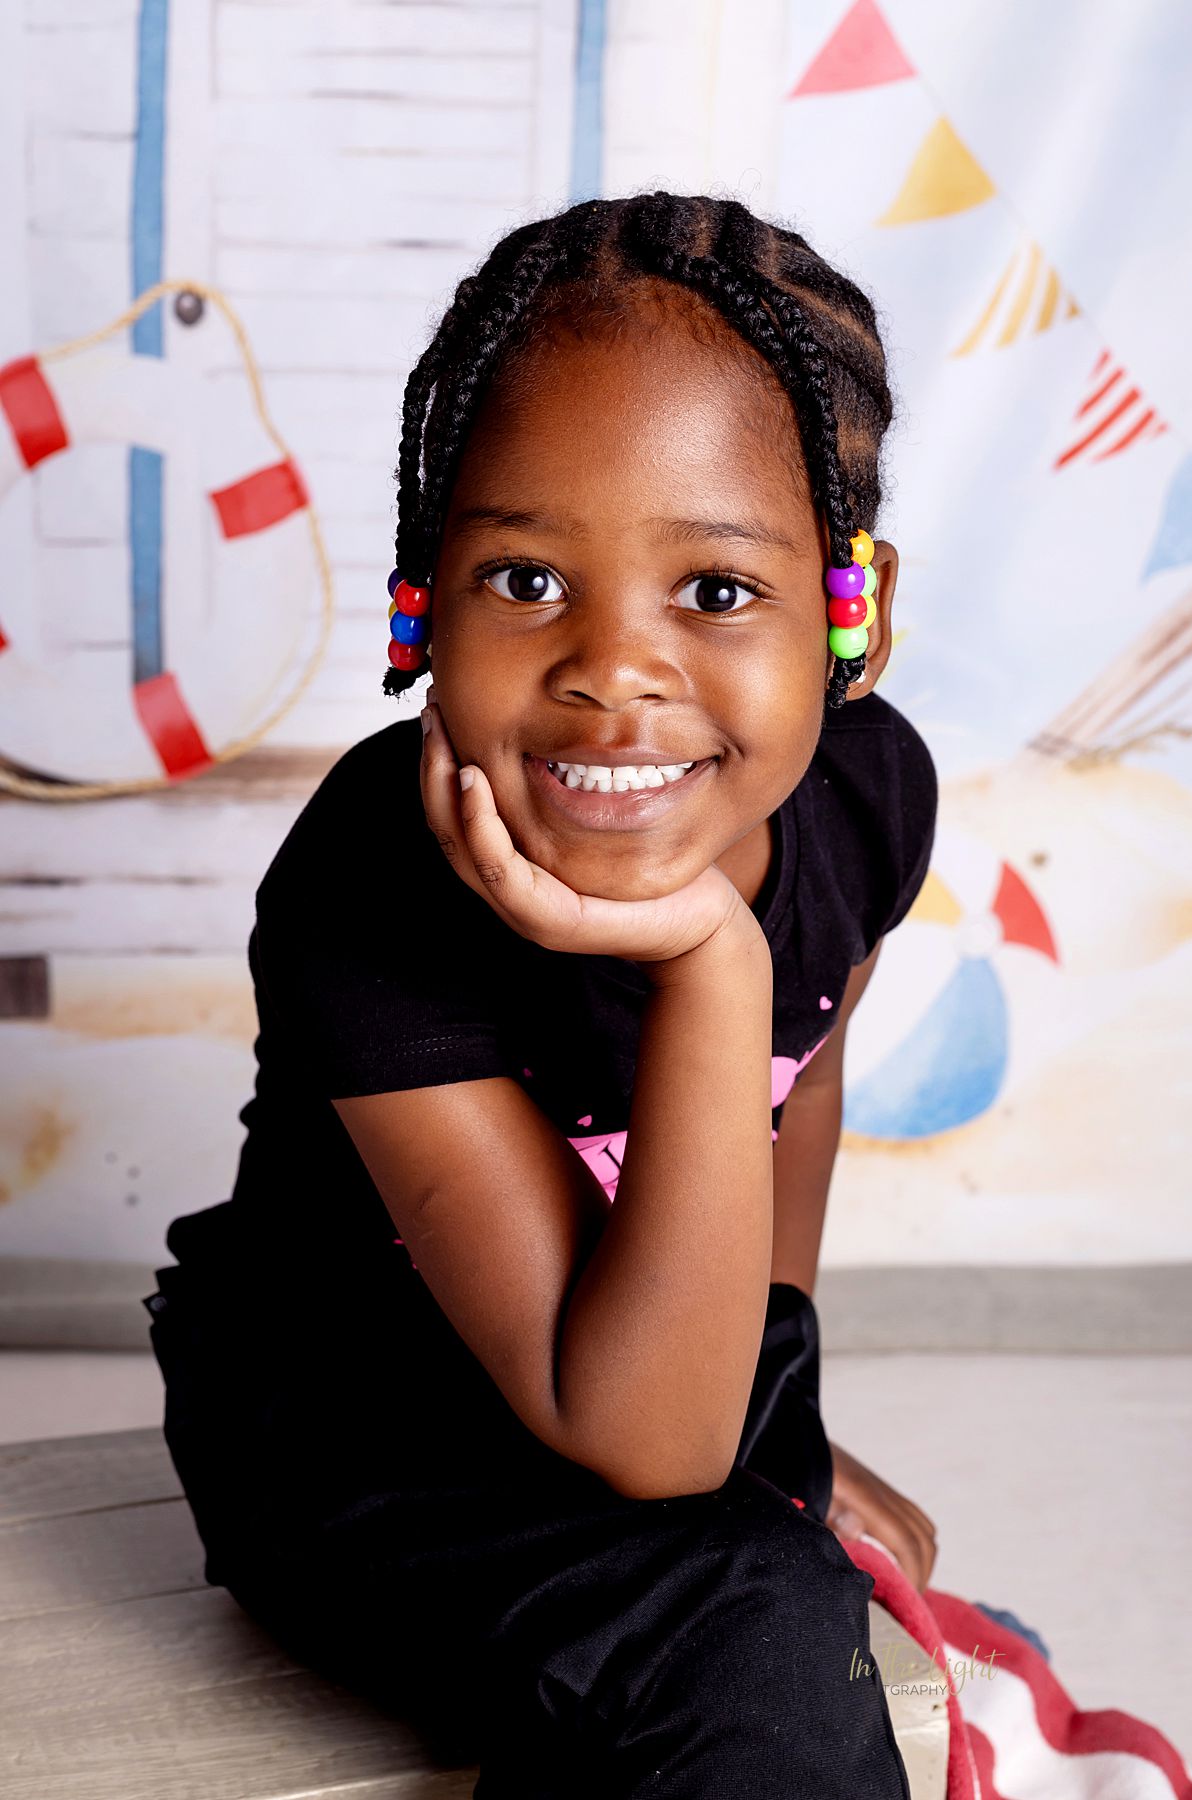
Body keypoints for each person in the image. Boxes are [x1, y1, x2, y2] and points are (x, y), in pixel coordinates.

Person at [144, 190, 939, 1797]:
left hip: (627, 1366)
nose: (610, 670)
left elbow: (805, 1098)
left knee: (757, 1558)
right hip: (356, 1429)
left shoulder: (867, 797)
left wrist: (771, 1412)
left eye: (715, 591)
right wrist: (716, 957)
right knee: (750, 1632)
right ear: (425, 591)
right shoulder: (367, 886)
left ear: (852, 610)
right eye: (524, 580)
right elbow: (641, 1441)